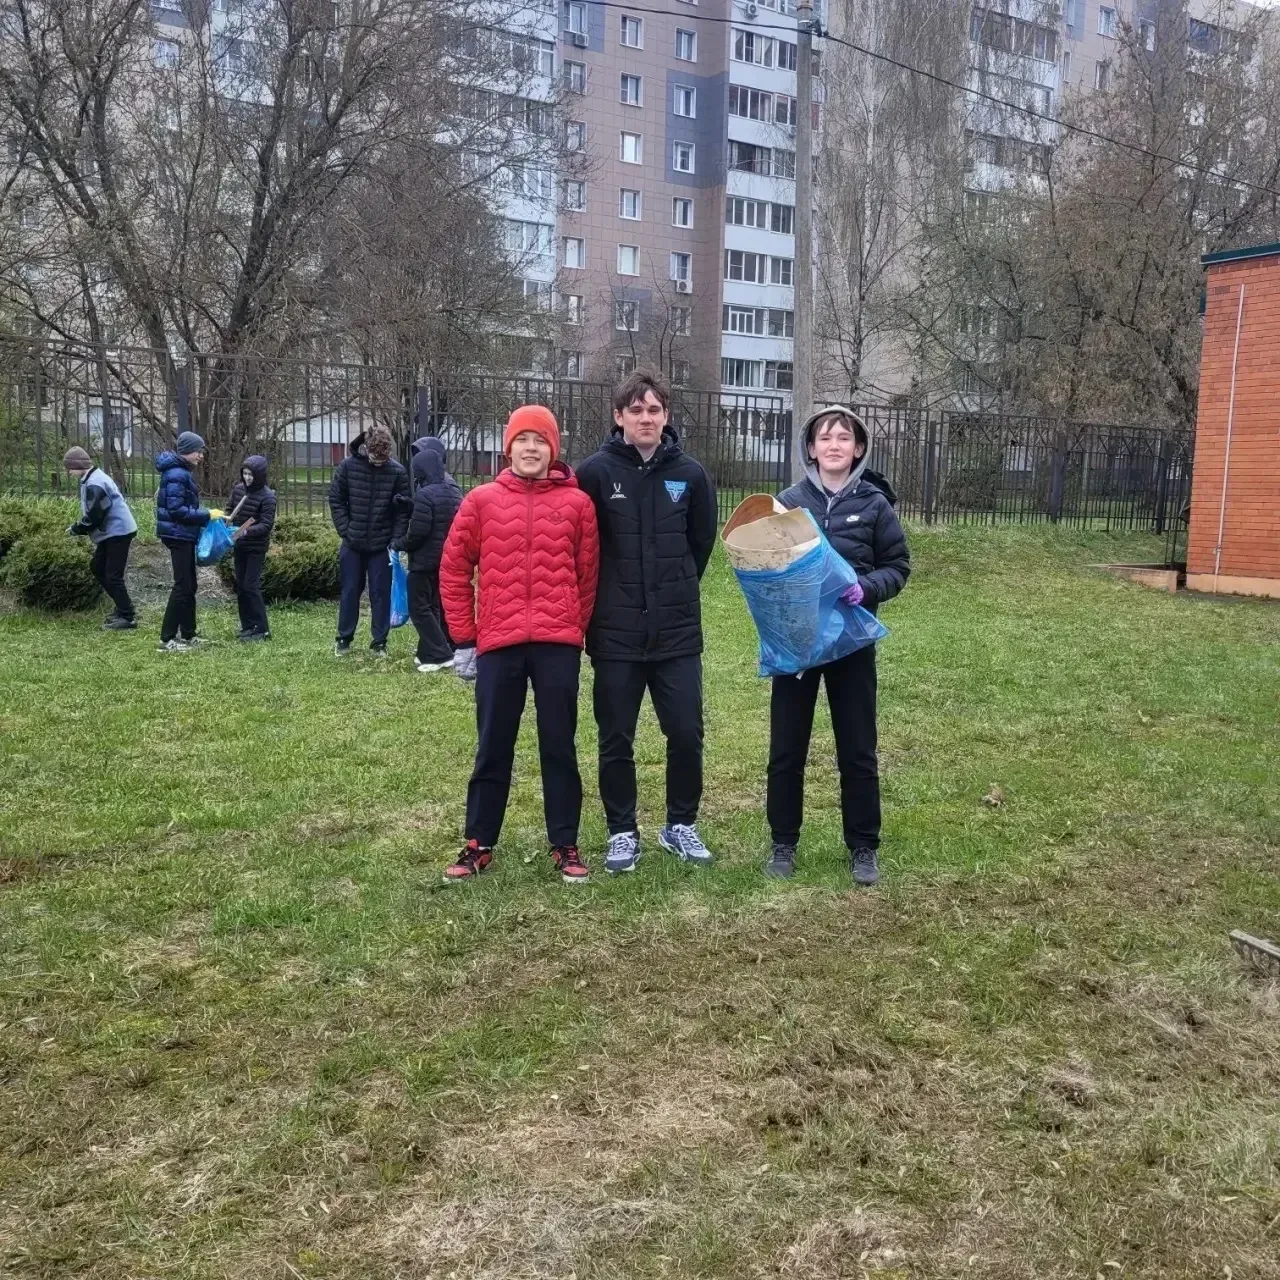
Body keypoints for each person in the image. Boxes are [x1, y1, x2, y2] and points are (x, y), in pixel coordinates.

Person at [439, 405, 599, 885]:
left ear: (554, 449)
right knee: (493, 745)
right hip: (498, 642)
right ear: (509, 447)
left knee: (559, 744)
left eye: (541, 440)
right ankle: (479, 842)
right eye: (523, 439)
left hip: (557, 644)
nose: (532, 448)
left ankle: (565, 841)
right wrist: (465, 637)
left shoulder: (578, 505)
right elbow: (453, 569)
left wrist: (573, 628)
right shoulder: (481, 501)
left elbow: (587, 575)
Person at [574, 368, 718, 875]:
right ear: (618, 417)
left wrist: (672, 589)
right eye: (635, 410)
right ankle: (622, 831)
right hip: (615, 635)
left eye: (654, 409)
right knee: (616, 738)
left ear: (666, 416)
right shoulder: (594, 473)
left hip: (677, 633)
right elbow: (583, 547)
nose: (645, 418)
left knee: (686, 733)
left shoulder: (691, 475)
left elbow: (701, 544)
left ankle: (680, 824)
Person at [764, 406, 911, 887]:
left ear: (858, 448)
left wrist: (865, 589)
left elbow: (898, 566)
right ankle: (783, 843)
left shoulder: (874, 504)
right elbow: (768, 563)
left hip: (851, 642)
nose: (833, 445)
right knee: (787, 748)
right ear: (810, 448)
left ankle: (863, 846)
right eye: (824, 438)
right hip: (798, 643)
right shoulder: (788, 503)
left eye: (843, 438)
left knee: (857, 748)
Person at [327, 423, 410, 657]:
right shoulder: (347, 466)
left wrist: (395, 539)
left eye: (384, 459)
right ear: (366, 449)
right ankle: (344, 638)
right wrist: (345, 530)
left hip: (381, 545)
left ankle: (379, 642)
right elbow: (336, 499)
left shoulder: (397, 472)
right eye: (375, 458)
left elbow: (402, 511)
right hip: (352, 542)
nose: (379, 463)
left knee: (380, 594)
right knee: (350, 591)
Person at [401, 436, 461, 672]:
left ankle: (440, 653)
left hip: (426, 558)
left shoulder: (432, 490)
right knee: (433, 605)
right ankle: (428, 652)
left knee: (420, 607)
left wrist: (400, 544)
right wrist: (411, 507)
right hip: (442, 557)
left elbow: (420, 530)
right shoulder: (443, 489)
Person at [63, 445, 139, 630]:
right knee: (97, 567)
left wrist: (77, 529)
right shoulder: (92, 478)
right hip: (111, 532)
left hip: (118, 532)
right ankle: (123, 607)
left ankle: (127, 616)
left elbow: (95, 515)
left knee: (113, 576)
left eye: (69, 468)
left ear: (78, 465)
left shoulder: (95, 483)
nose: (68, 472)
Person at [154, 431, 211, 652]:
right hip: (177, 534)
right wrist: (206, 515)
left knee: (190, 585)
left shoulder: (181, 471)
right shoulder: (177, 473)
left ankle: (188, 634)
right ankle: (167, 639)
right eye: (198, 451)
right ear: (187, 451)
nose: (201, 456)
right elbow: (176, 510)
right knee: (182, 586)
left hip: (182, 534)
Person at [226, 455, 276, 642]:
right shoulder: (238, 490)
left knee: (250, 586)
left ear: (259, 475)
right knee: (241, 586)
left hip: (256, 547)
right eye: (245, 473)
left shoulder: (268, 496)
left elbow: (266, 524)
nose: (247, 478)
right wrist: (225, 520)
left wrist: (246, 531)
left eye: (251, 474)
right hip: (239, 544)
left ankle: (262, 629)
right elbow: (229, 509)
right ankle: (247, 626)